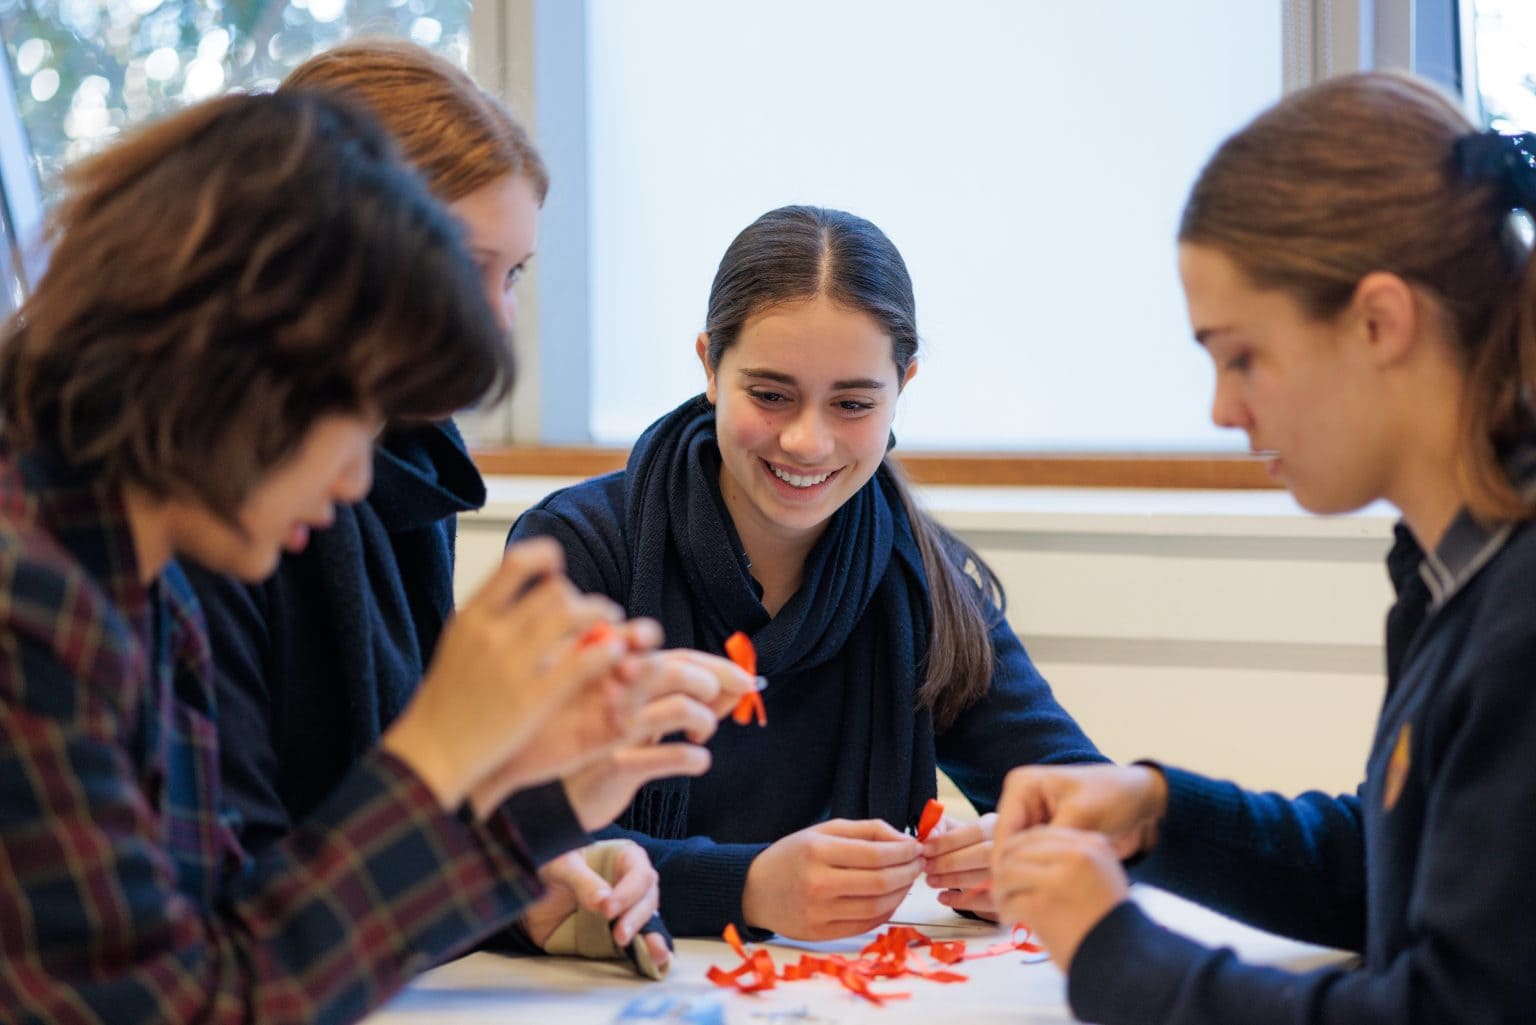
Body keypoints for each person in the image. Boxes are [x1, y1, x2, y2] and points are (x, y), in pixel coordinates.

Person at [0, 90, 735, 1024]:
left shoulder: (130, 585)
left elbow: (231, 927)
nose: (356, 481)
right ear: (244, 368)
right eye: (357, 420)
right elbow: (194, 1000)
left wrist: (532, 806)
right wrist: (435, 755)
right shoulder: (33, 598)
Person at [182, 40, 751, 978]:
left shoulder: (409, 470)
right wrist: (497, 822)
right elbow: (241, 926)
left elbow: (357, 852)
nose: (494, 325)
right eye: (462, 264)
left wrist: (512, 870)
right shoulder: (207, 513)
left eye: (515, 274)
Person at [989, 70, 1536, 1024]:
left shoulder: (1518, 609)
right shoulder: (1451, 571)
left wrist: (1113, 949)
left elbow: (1449, 1005)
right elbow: (1398, 866)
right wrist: (1159, 808)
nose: (1222, 408)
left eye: (1241, 355)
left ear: (1378, 321)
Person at [507, 204, 1104, 941]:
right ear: (709, 367)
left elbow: (1096, 804)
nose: (807, 441)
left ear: (903, 386)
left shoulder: (921, 573)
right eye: (770, 394)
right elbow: (504, 846)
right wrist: (747, 887)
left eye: (853, 402)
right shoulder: (581, 549)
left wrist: (1024, 854)